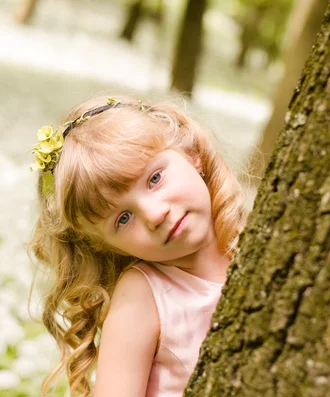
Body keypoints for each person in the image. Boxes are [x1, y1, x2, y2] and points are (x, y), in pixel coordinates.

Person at [28, 95, 247, 397]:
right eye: (124, 218)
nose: (155, 215)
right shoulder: (143, 296)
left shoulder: (254, 238)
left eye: (155, 178)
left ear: (191, 153)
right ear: (109, 247)